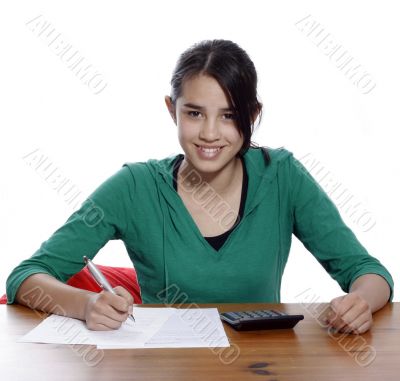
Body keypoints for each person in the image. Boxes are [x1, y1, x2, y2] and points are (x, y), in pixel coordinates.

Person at [6, 39, 393, 334]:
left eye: (228, 115)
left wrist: (359, 300)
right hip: (166, 365)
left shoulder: (283, 176)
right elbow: (26, 277)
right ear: (171, 109)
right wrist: (87, 304)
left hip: (263, 366)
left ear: (252, 116)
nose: (210, 133)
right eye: (193, 113)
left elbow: (368, 271)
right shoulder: (135, 187)